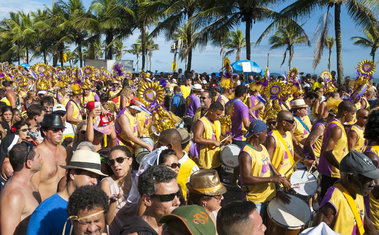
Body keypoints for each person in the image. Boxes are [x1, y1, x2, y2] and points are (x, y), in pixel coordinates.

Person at [27, 149, 107, 235]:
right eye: (90, 176)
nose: (95, 181)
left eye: (97, 177)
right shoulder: (44, 212)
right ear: (73, 174)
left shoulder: (94, 208)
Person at [313, 151, 378, 234]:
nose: (373, 184)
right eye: (367, 179)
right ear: (349, 178)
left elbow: (365, 220)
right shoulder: (334, 199)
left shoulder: (358, 192)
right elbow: (318, 231)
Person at [239, 120, 291, 221]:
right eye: (265, 132)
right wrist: (272, 179)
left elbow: (270, 165)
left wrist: (280, 180)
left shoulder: (262, 147)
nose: (267, 135)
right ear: (257, 135)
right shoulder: (246, 154)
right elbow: (246, 179)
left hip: (270, 196)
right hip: (256, 201)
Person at [121, 165, 180, 235]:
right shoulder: (135, 233)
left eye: (178, 194)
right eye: (168, 197)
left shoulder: (175, 226)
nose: (177, 202)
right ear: (147, 200)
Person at [0, 143, 42, 235]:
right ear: (29, 163)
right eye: (38, 156)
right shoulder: (14, 195)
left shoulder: (30, 185)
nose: (41, 159)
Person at [318, 100, 356, 199]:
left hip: (336, 172)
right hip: (332, 173)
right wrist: (341, 167)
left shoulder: (338, 125)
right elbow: (327, 151)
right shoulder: (336, 128)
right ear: (345, 113)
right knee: (329, 202)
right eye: (352, 114)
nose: (353, 117)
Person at [100, 146, 140, 234]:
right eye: (111, 162)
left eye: (120, 160)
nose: (115, 164)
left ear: (130, 160)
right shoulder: (106, 183)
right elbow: (107, 220)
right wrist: (114, 201)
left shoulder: (138, 179)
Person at [31, 114, 67, 201]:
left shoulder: (63, 150)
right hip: (44, 207)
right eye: (55, 130)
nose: (60, 133)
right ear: (44, 131)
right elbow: (33, 188)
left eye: (61, 129)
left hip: (61, 206)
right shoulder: (37, 154)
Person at [156, 129, 199, 201]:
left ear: (169, 147)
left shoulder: (192, 168)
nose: (156, 147)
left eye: (160, 144)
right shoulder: (158, 160)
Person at [265, 111, 301, 178]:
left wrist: (304, 161)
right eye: (292, 121)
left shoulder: (288, 134)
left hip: (290, 175)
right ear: (284, 123)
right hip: (279, 178)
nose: (294, 124)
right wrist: (279, 177)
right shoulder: (272, 138)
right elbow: (267, 161)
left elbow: (289, 153)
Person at [0, 121, 32, 188]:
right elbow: (19, 183)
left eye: (28, 129)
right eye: (24, 130)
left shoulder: (14, 159)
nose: (28, 132)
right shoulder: (7, 164)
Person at [193, 102, 223, 169]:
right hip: (205, 160)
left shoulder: (217, 122)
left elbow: (217, 136)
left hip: (215, 159)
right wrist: (213, 142)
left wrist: (225, 139)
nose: (219, 117)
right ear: (211, 111)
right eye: (217, 114)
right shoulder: (201, 122)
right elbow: (196, 138)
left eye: (220, 115)